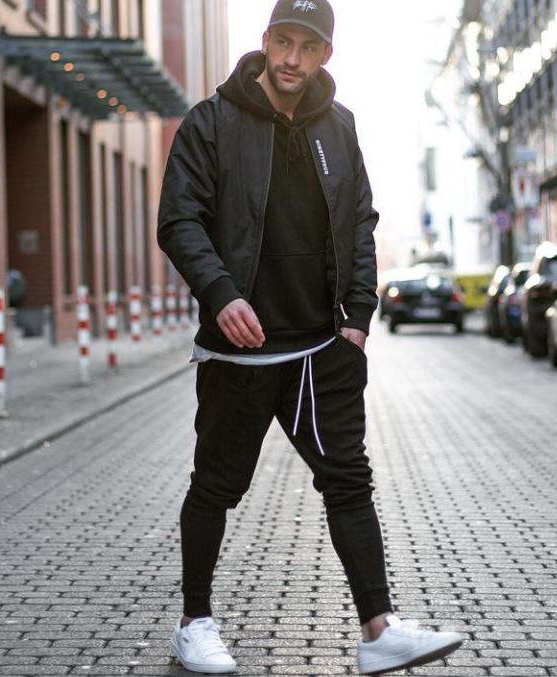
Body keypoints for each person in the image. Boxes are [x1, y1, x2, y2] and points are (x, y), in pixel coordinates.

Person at [157, 0, 465, 673]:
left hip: (322, 349)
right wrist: (220, 293)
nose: (292, 59)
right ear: (266, 41)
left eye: (308, 47)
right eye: (284, 42)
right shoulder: (212, 122)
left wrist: (357, 320)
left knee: (348, 480)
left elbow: (360, 223)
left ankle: (378, 631)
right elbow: (179, 219)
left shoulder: (338, 125)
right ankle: (193, 622)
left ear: (326, 53)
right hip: (239, 350)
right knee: (216, 486)